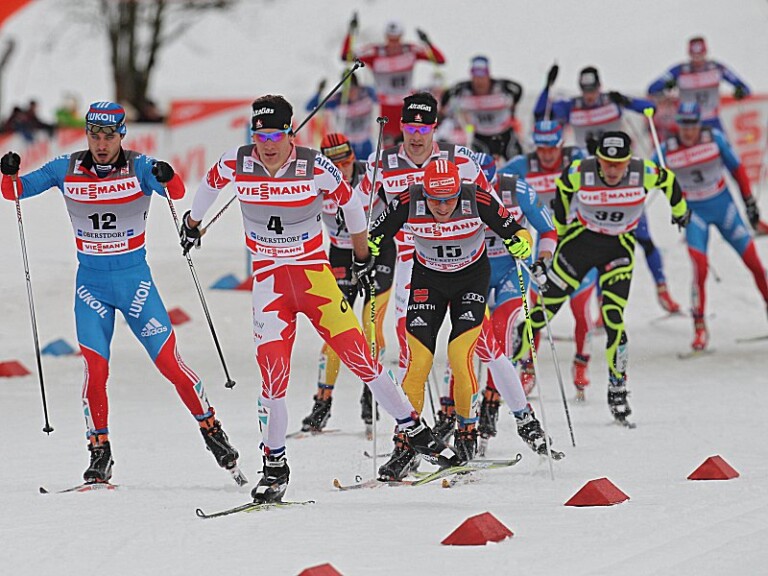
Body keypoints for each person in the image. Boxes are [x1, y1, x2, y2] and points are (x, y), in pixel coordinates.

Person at [182, 95, 457, 501]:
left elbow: (352, 203)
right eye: (260, 136)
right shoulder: (237, 161)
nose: (267, 145)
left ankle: (414, 430)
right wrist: (192, 223)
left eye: (275, 135)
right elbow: (209, 184)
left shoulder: (315, 165)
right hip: (270, 285)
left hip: (315, 280)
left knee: (361, 358)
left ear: (290, 133)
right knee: (273, 377)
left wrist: (362, 254)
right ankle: (274, 465)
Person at [0, 101, 242, 484]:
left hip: (135, 285)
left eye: (109, 136)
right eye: (94, 136)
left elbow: (176, 191)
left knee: (170, 364)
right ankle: (100, 451)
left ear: (121, 135)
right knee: (95, 370)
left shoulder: (139, 166)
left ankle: (212, 429)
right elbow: (15, 192)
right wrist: (9, 172)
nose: (101, 144)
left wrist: (166, 175)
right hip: (91, 287)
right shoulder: (65, 168)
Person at [370, 159, 558, 475]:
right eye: (435, 200)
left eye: (449, 199)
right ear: (424, 193)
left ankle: (466, 434)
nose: (443, 207)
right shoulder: (408, 200)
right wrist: (368, 252)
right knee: (417, 364)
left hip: (470, 283)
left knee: (460, 356)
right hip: (428, 283)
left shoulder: (476, 198)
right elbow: (376, 233)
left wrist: (521, 245)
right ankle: (405, 446)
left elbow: (518, 231)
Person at [511, 131, 689, 425]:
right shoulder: (581, 170)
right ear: (598, 159)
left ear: (628, 160)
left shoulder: (643, 171)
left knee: (613, 318)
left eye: (619, 164)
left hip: (619, 247)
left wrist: (680, 211)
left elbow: (669, 181)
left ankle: (617, 389)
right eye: (606, 163)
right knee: (543, 313)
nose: (612, 170)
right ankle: (506, 372)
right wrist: (561, 230)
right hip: (580, 244)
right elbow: (563, 188)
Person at [356, 91, 491, 384]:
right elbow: (356, 205)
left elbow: (490, 204)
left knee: (475, 343)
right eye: (410, 128)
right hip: (411, 258)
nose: (416, 136)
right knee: (409, 338)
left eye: (423, 128)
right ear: (401, 126)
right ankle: (408, 405)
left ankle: (462, 403)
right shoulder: (381, 161)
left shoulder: (460, 159)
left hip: (462, 259)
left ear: (434, 128)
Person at [433, 152, 558, 453]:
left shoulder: (516, 189)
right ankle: (451, 412)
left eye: (487, 184)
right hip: (472, 274)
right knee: (464, 343)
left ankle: (491, 403)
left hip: (510, 273)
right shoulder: (453, 197)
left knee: (500, 332)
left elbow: (548, 229)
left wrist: (542, 260)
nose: (483, 191)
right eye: (476, 185)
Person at [536, 65, 682, 314]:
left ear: (599, 87)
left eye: (593, 90)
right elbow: (542, 113)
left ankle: (662, 288)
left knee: (644, 237)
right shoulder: (573, 106)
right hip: (591, 180)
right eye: (585, 90)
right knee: (595, 242)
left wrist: (626, 100)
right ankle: (602, 304)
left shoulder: (611, 101)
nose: (589, 95)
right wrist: (547, 86)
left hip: (623, 179)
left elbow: (649, 109)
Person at [299, 132, 397, 438]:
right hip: (341, 254)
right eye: (334, 164)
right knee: (335, 331)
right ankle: (322, 402)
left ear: (353, 158)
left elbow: (400, 204)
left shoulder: (371, 178)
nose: (340, 169)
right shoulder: (317, 181)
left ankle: (372, 394)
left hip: (377, 253)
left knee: (371, 328)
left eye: (345, 162)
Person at [657, 102, 768, 351]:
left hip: (724, 209)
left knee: (754, 263)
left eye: (692, 125)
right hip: (694, 214)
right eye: (683, 125)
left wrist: (749, 203)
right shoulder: (667, 148)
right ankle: (699, 328)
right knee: (700, 269)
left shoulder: (714, 139)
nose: (688, 131)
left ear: (700, 123)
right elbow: (648, 173)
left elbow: (737, 169)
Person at [500, 121, 598, 398]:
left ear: (561, 145)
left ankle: (581, 365)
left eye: (551, 148)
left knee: (581, 310)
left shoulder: (576, 159)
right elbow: (491, 182)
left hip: (578, 246)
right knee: (536, 312)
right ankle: (527, 369)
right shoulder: (522, 165)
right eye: (541, 148)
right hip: (544, 248)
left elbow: (606, 169)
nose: (546, 155)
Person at [341, 17, 445, 145]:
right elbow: (346, 56)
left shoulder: (410, 50)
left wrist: (427, 42)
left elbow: (439, 60)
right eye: (391, 40)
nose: (394, 44)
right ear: (386, 37)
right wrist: (350, 33)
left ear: (401, 37)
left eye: (397, 40)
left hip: (406, 104)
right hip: (385, 106)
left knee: (410, 141)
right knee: (388, 144)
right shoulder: (375, 53)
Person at [647, 36, 750, 131]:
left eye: (700, 56)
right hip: (687, 121)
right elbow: (652, 89)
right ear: (689, 54)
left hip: (712, 119)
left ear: (705, 53)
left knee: (722, 143)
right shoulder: (679, 70)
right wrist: (667, 87)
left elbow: (744, 88)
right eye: (694, 56)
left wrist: (739, 92)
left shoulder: (717, 68)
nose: (697, 61)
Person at [440, 56, 524, 161]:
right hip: (481, 136)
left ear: (488, 76)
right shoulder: (462, 90)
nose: (479, 82)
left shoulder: (502, 87)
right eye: (476, 77)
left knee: (518, 162)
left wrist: (514, 108)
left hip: (504, 134)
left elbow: (519, 90)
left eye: (482, 77)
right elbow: (446, 97)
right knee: (478, 165)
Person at [305, 73, 378, 160]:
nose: (351, 93)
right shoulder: (338, 99)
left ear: (358, 86)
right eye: (347, 90)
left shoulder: (368, 93)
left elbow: (383, 96)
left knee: (369, 165)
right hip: (348, 144)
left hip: (365, 142)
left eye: (353, 89)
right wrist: (319, 92)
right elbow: (310, 107)